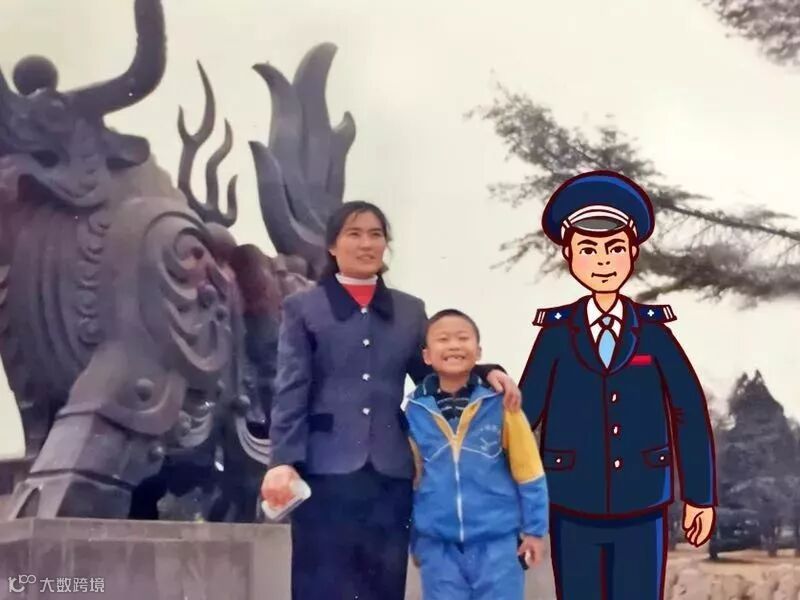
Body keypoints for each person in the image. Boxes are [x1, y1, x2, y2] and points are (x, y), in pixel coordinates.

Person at [261, 201, 521, 600]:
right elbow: (291, 388)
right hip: (323, 470)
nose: (366, 244)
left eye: (375, 234)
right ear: (332, 245)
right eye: (354, 234)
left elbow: (433, 374)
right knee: (320, 587)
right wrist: (282, 460)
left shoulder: (409, 311)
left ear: (386, 245)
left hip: (391, 473)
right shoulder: (303, 308)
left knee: (383, 586)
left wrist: (485, 372)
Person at [519, 170, 717, 600]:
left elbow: (688, 411)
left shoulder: (654, 333)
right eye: (588, 250)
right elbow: (522, 417)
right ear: (569, 255)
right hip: (572, 501)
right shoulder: (555, 334)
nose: (603, 261)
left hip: (643, 502)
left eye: (614, 248)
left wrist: (700, 497)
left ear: (632, 252)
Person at [403, 309, 548, 599]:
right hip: (438, 547)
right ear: (427, 356)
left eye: (463, 338)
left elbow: (529, 471)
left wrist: (534, 530)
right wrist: (416, 539)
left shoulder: (502, 405)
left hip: (497, 544)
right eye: (443, 339)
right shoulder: (415, 411)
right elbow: (414, 479)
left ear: (478, 351)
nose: (454, 345)